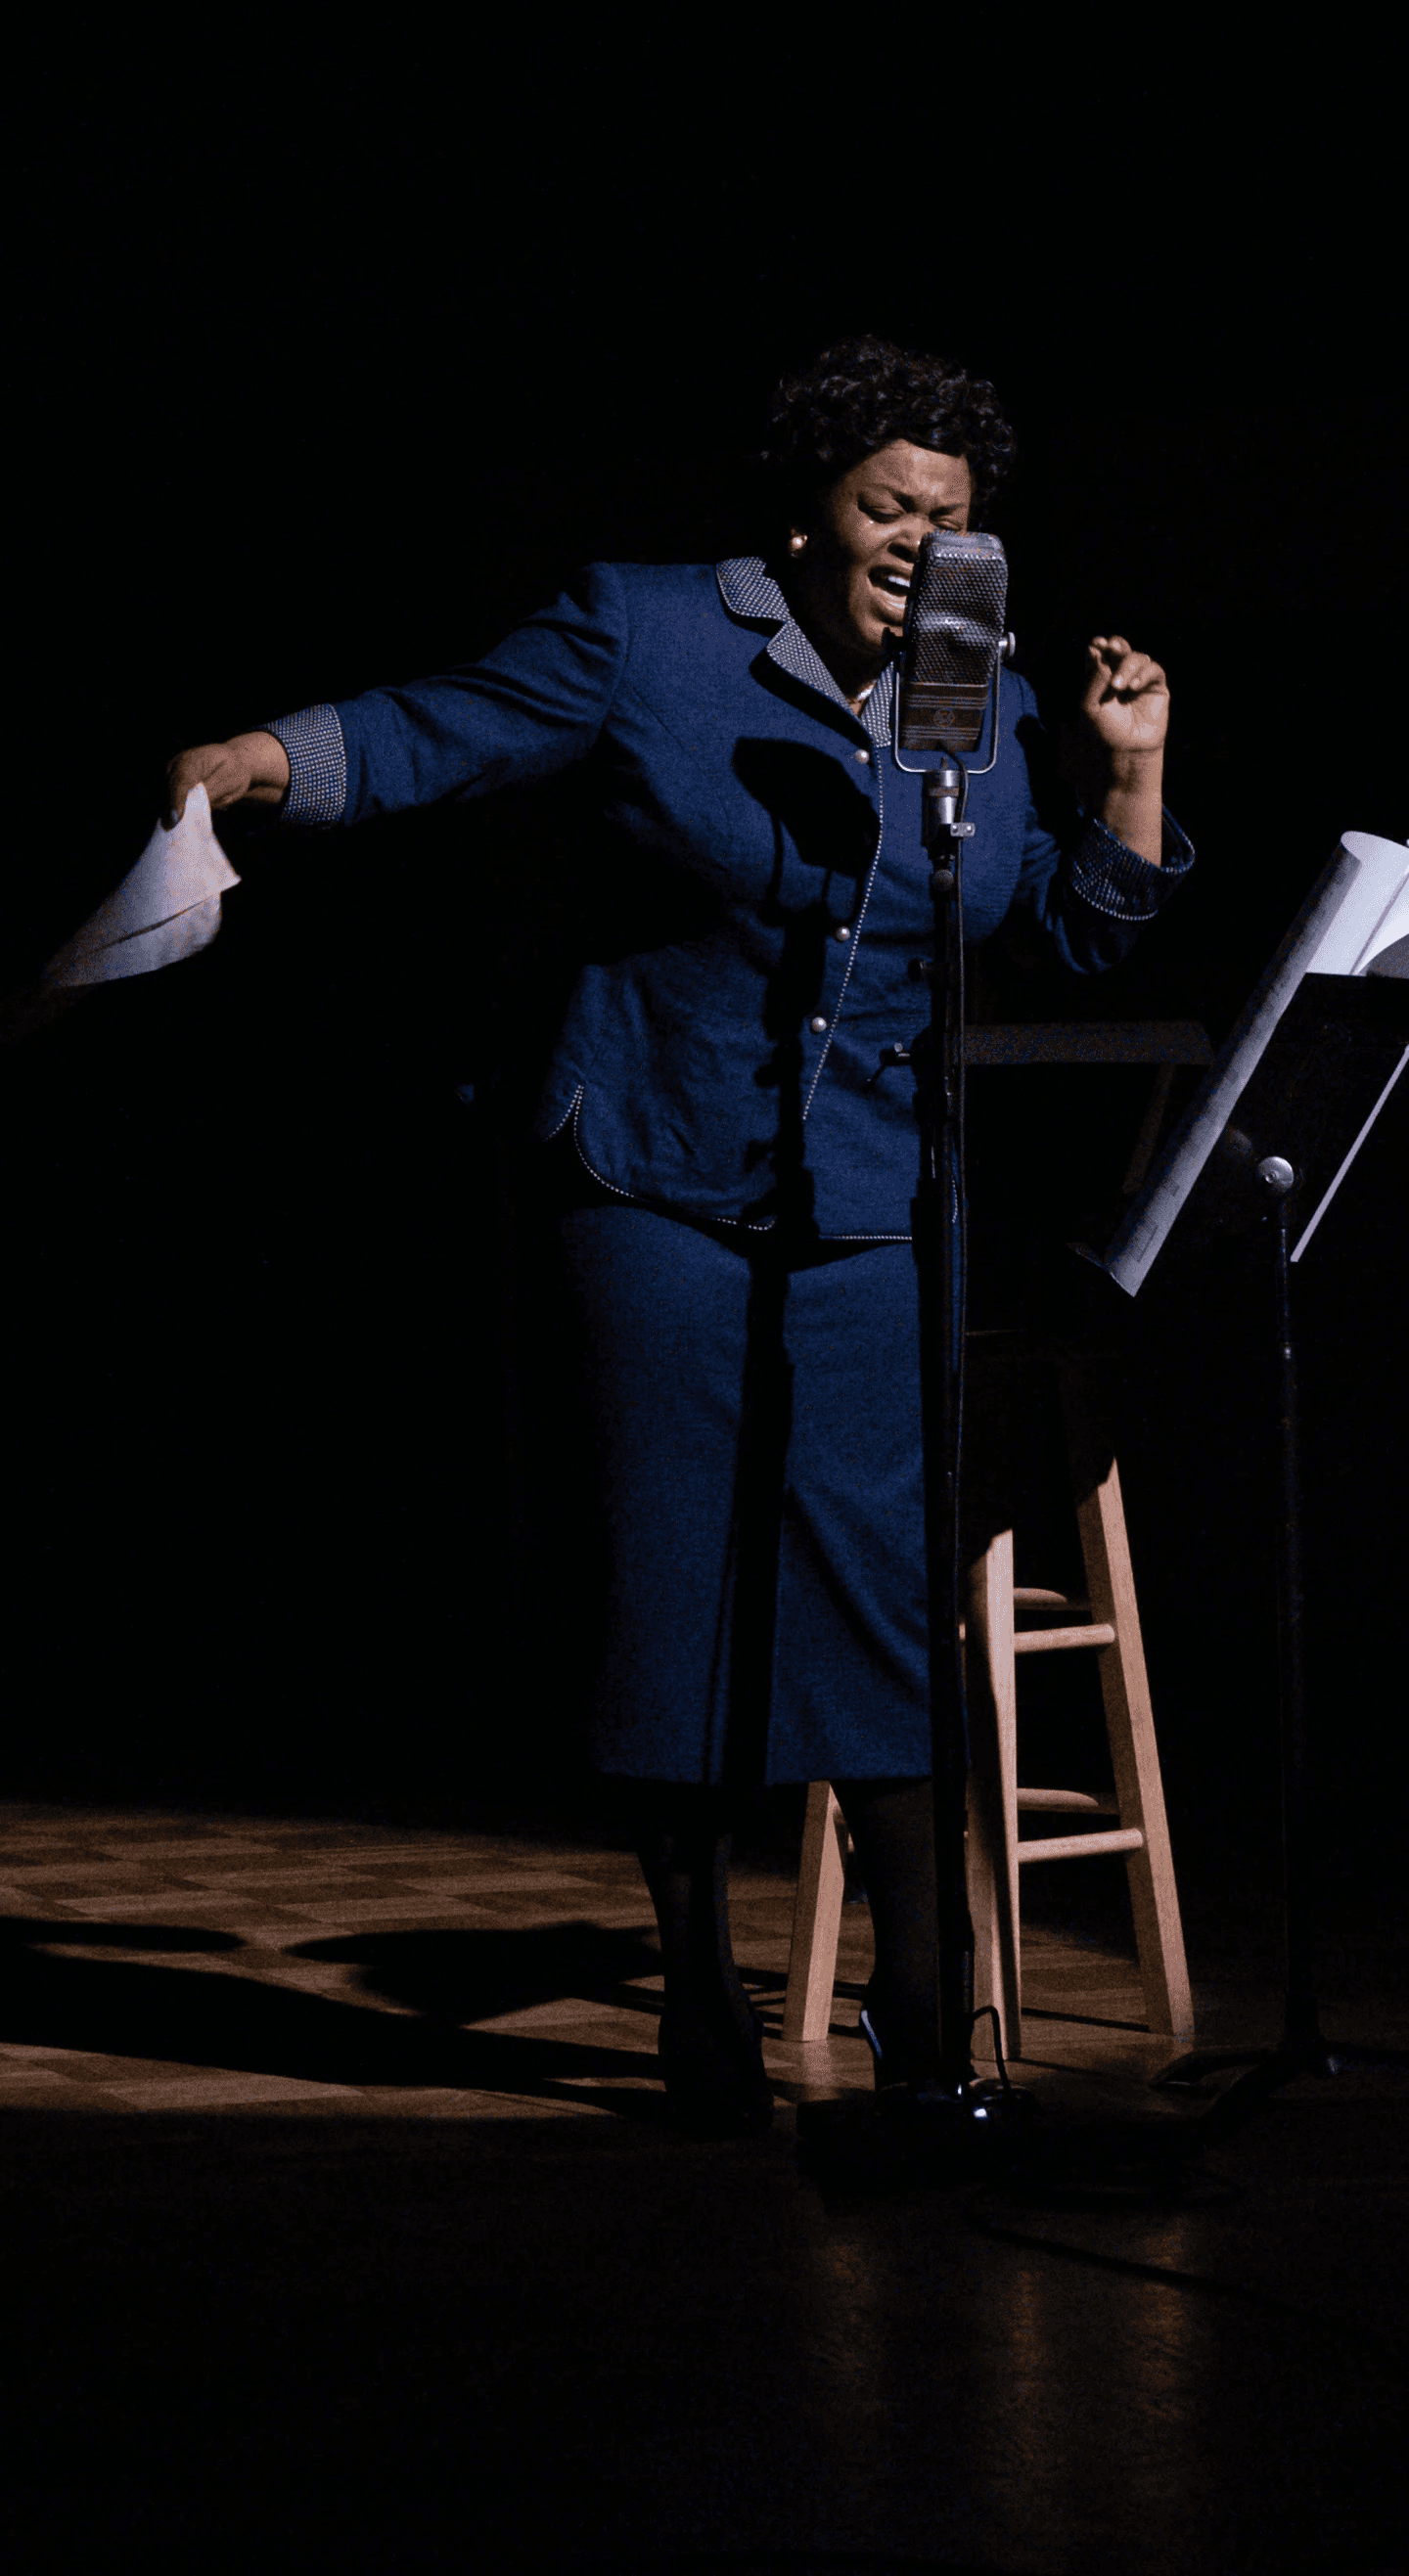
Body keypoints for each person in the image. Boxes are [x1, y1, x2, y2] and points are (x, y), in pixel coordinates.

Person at [166, 336, 1190, 2134]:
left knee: (877, 1591)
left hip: (876, 1198)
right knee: (678, 1584)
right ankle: (701, 1975)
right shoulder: (644, 632)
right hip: (648, 1168)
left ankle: (925, 2005)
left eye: (950, 517)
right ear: (804, 512)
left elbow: (1075, 936)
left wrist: (1128, 774)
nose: (917, 540)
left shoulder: (990, 701)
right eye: (886, 505)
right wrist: (265, 758)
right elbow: (444, 729)